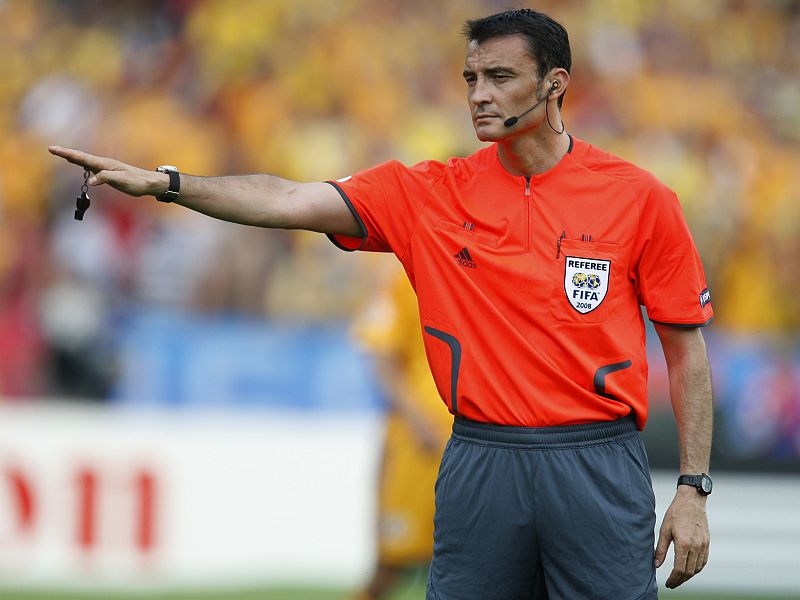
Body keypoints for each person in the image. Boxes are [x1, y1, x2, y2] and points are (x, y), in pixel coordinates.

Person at [49, 8, 714, 599]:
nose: (479, 95)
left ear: (555, 84)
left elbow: (686, 354)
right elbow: (286, 198)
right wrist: (169, 183)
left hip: (596, 461)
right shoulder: (427, 192)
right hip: (481, 460)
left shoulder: (639, 198)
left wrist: (692, 487)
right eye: (470, 78)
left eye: (500, 77)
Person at [350, 269, 452, 600]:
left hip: (476, 437)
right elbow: (382, 357)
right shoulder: (400, 276)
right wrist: (417, 420)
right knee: (393, 561)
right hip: (420, 442)